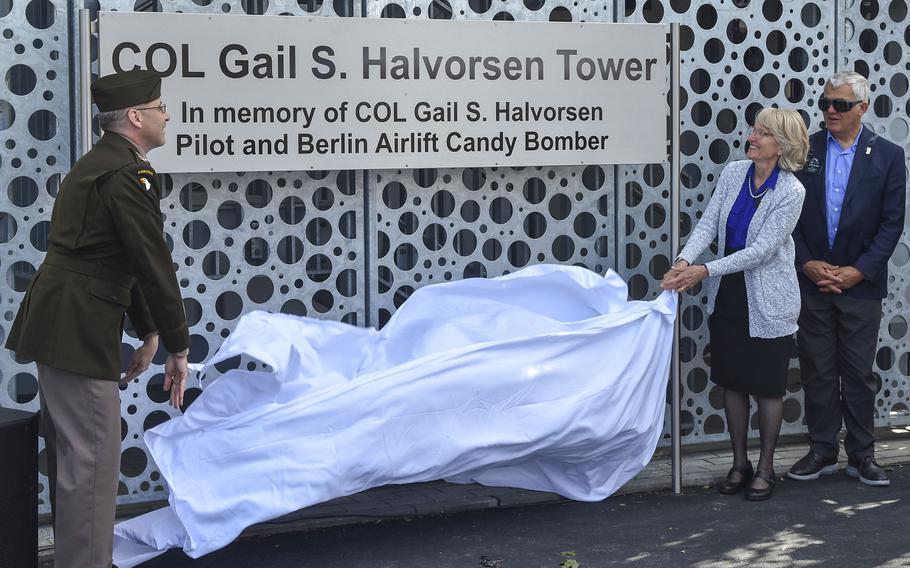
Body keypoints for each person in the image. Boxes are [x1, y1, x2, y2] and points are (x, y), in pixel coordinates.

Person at [5, 69, 190, 568]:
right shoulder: (127, 174)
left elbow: (112, 256)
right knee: (91, 465)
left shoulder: (99, 165)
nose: (166, 114)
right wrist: (178, 344)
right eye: (159, 106)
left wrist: (149, 329)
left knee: (75, 462)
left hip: (64, 323)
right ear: (136, 117)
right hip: (79, 328)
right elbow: (152, 260)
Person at [662, 108, 809, 501]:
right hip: (729, 295)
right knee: (731, 381)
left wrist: (703, 271)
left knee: (766, 387)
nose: (752, 136)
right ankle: (739, 463)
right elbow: (708, 225)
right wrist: (683, 262)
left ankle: (765, 469)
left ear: (783, 145)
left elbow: (761, 252)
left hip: (769, 301)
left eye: (763, 133)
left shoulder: (791, 192)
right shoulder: (733, 173)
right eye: (754, 129)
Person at [787, 71, 906, 486]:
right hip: (813, 281)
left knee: (858, 373)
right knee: (817, 369)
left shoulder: (889, 156)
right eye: (825, 103)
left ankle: (862, 455)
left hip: (861, 285)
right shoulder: (807, 149)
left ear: (863, 108)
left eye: (839, 104)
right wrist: (806, 262)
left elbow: (892, 224)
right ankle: (822, 451)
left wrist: (859, 270)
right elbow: (790, 217)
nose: (830, 111)